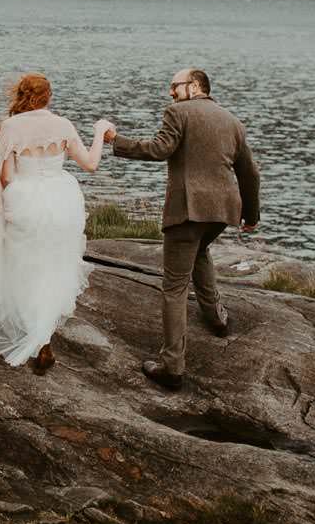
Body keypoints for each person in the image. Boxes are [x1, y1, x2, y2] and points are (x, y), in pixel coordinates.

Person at [103, 67, 260, 390]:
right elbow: (250, 173)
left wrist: (115, 141)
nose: (171, 92)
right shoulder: (232, 120)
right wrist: (251, 215)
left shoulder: (178, 112)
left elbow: (159, 150)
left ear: (195, 85)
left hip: (188, 209)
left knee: (174, 287)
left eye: (175, 85)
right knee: (201, 250)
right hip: (223, 211)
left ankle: (172, 366)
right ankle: (216, 317)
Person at [0, 73, 113, 374]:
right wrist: (100, 132)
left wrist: (11, 201)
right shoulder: (63, 125)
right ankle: (44, 333)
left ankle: (39, 340)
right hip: (63, 200)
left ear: (20, 95)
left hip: (26, 199)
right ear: (48, 96)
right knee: (54, 265)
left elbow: (4, 176)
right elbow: (90, 164)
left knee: (25, 266)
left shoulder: (10, 127)